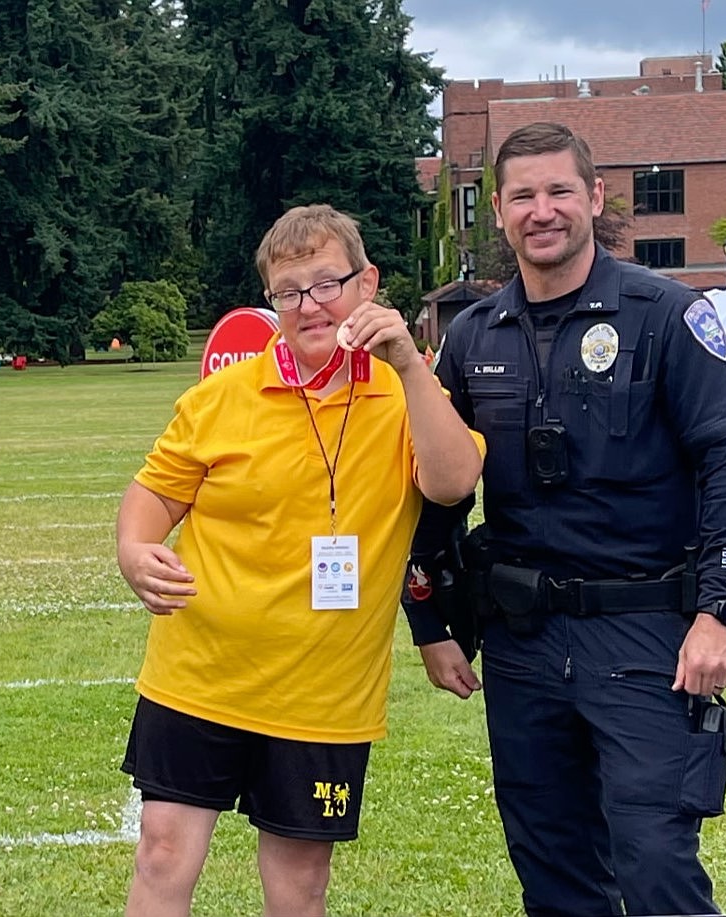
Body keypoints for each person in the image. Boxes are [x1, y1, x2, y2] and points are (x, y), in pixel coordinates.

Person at [402, 122, 726, 917]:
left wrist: (717, 612)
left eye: (560, 190)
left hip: (643, 633)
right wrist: (429, 619)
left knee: (654, 863)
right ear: (497, 211)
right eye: (523, 196)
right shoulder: (470, 336)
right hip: (523, 641)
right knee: (553, 871)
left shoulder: (666, 314)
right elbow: (436, 488)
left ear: (594, 198)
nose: (543, 210)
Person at [117, 203, 484, 917]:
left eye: (326, 284)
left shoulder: (407, 391)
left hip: (323, 696)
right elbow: (153, 493)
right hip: (198, 675)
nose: (309, 305)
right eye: (288, 292)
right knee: (162, 851)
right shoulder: (221, 396)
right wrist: (134, 549)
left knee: (299, 881)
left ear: (367, 282)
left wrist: (407, 363)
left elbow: (450, 481)